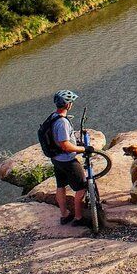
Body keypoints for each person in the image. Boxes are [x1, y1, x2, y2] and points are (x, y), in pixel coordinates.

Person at [42, 90, 87, 225]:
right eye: (71, 102)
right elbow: (65, 145)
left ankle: (64, 214)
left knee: (60, 186)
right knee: (81, 188)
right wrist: (84, 149)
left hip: (56, 159)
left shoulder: (53, 116)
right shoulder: (62, 122)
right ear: (68, 105)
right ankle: (78, 218)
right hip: (67, 160)